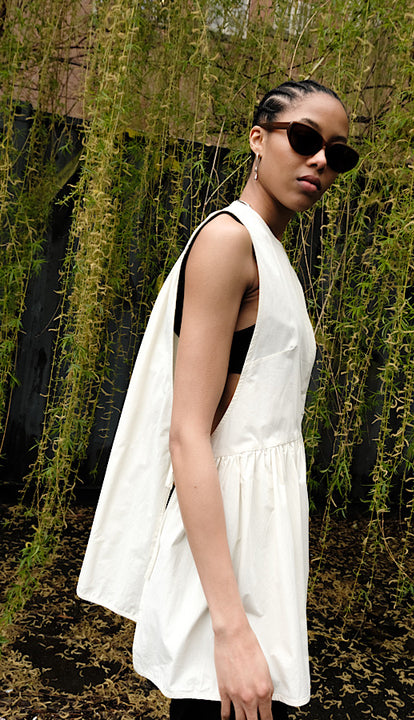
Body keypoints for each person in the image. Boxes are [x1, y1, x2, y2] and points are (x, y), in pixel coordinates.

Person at [77, 79, 358, 720]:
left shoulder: (268, 250)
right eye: (305, 138)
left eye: (337, 153)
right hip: (226, 552)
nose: (320, 160)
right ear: (258, 139)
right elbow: (188, 434)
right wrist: (230, 629)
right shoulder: (230, 242)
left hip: (260, 543)